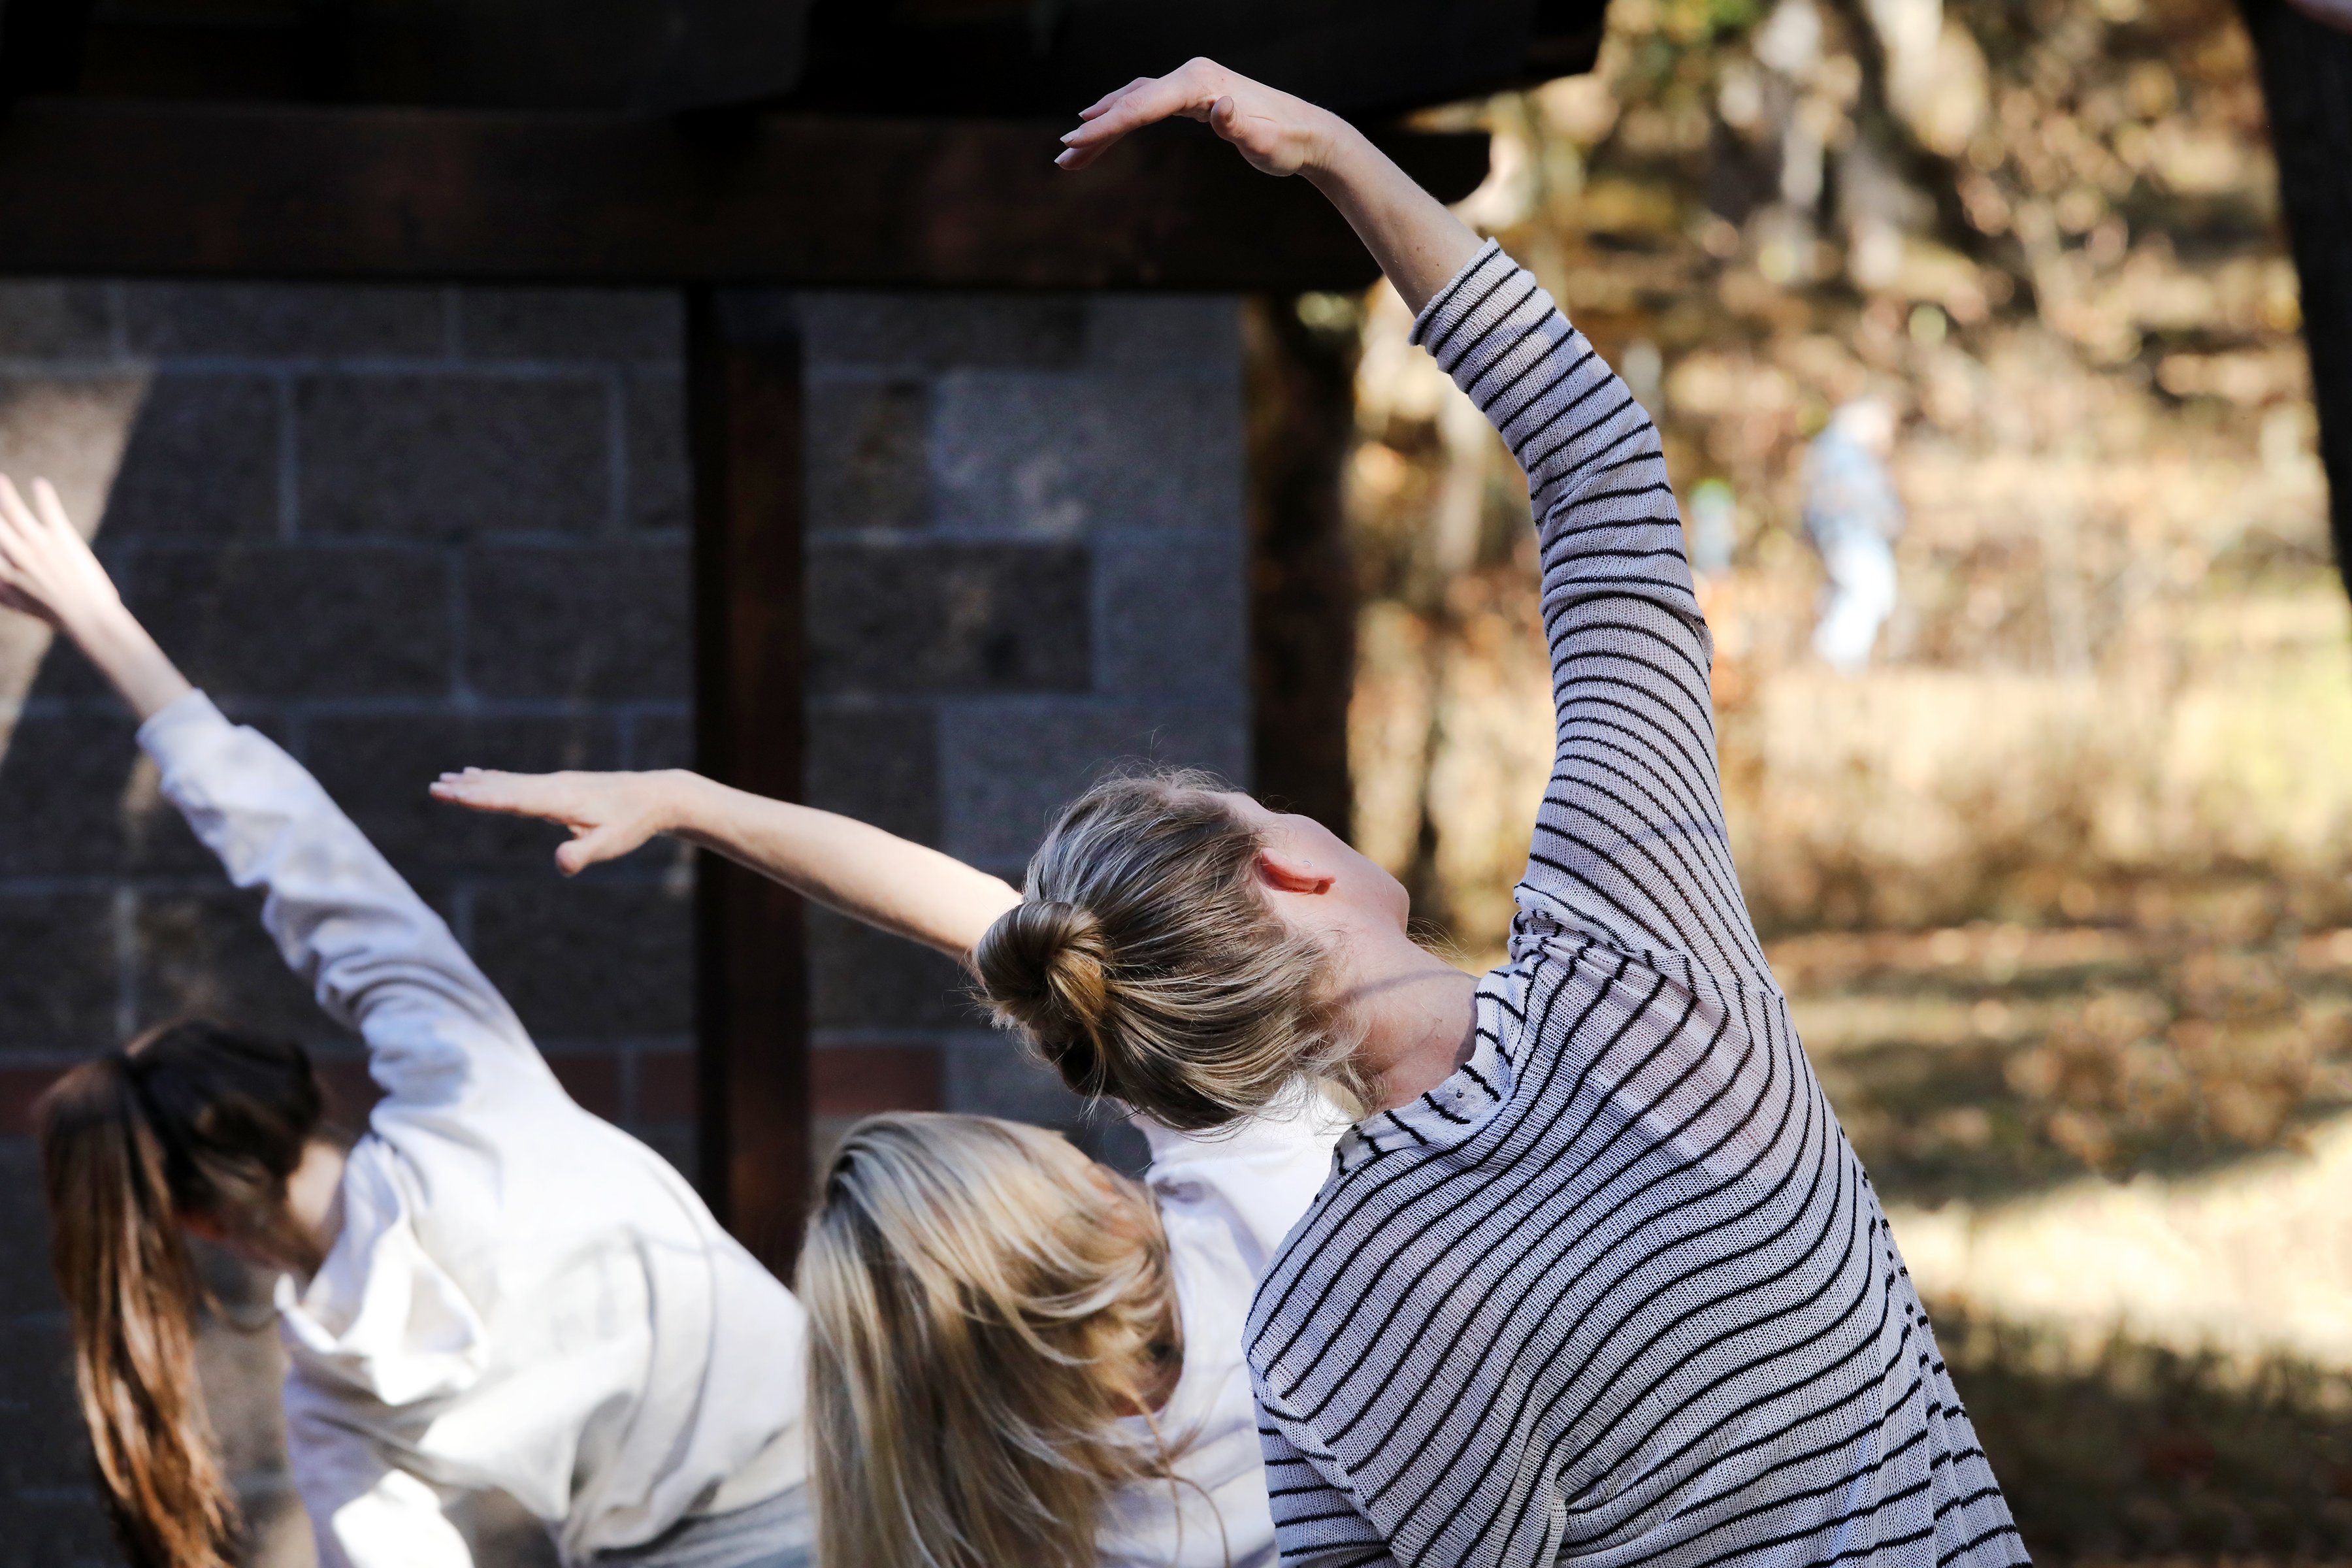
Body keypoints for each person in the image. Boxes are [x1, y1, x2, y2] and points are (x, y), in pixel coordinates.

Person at [944, 59, 2021, 1568]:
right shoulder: (1636, 969)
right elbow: (1603, 479)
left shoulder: (1326, 1313)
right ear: (1290, 866)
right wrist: (1338, 156)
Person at [0, 475, 809, 1568]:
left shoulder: (337, 1410)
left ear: (194, 1224)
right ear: (291, 1086)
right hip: (890, 1475)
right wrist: (98, 618)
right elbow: (305, 858)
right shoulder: (472, 1095)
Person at [431, 764, 1345, 1568]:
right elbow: (998, 926)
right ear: (1101, 1203)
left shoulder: (1038, 1529)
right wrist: (688, 803)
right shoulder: (1266, 1184)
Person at [1801, 397, 1906, 672]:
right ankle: (1836, 657)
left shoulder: (1840, 451)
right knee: (1869, 592)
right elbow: (1852, 499)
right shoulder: (1844, 454)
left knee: (1858, 594)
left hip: (1849, 536)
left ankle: (1838, 660)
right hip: (1850, 537)